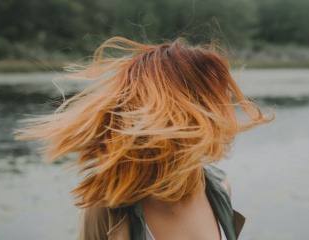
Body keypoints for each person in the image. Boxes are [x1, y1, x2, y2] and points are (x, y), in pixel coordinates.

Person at [15, 37, 274, 240]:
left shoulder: (220, 188)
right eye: (213, 101)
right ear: (185, 114)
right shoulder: (106, 207)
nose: (225, 112)